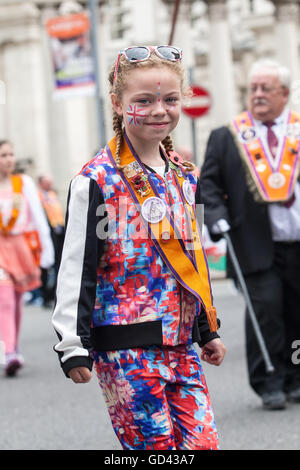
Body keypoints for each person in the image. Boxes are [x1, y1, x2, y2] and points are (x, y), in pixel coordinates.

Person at [52, 45, 226, 450]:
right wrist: (72, 344)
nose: (158, 110)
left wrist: (206, 326)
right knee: (154, 450)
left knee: (204, 445)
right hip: (125, 346)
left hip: (181, 342)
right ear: (117, 103)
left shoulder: (186, 175)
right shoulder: (95, 179)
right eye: (142, 101)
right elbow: (77, 265)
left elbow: (192, 257)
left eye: (170, 99)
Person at [200, 58, 300, 410]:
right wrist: (216, 217)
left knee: (296, 311)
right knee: (265, 310)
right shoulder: (226, 136)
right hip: (254, 242)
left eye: (264, 88)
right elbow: (208, 186)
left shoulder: (298, 132)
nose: (256, 94)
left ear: (284, 93)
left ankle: (295, 375)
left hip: (297, 242)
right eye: (252, 88)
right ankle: (268, 381)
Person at [0, 140, 54, 376]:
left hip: (20, 246)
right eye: (3, 155)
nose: (9, 159)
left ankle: (12, 343)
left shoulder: (24, 183)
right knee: (5, 298)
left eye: (11, 154)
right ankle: (9, 350)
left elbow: (38, 217)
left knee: (17, 298)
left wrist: (46, 248)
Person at [38, 175, 65, 308]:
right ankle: (46, 296)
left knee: (59, 263)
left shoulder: (52, 194)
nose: (50, 185)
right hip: (48, 233)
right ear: (41, 183)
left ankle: (55, 294)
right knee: (48, 265)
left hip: (58, 231)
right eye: (47, 183)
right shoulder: (38, 196)